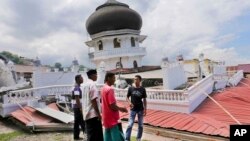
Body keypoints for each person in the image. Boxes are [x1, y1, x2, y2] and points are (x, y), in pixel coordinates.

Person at [101, 72, 128, 141]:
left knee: (107, 135)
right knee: (115, 136)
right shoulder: (110, 89)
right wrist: (121, 109)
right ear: (108, 78)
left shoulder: (103, 88)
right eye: (113, 78)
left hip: (105, 117)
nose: (114, 80)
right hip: (111, 118)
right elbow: (112, 105)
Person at [82, 69, 103, 141]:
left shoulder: (84, 85)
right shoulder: (92, 85)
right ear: (92, 75)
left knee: (90, 135)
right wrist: (98, 114)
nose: (97, 76)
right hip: (93, 115)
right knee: (96, 136)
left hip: (87, 114)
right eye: (96, 74)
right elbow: (93, 100)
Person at [125, 75, 147, 141]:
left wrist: (145, 109)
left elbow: (144, 100)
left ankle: (138, 138)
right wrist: (129, 103)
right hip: (133, 109)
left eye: (137, 79)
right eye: (134, 79)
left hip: (140, 109)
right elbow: (127, 97)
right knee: (130, 125)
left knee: (140, 125)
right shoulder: (130, 88)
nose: (135, 80)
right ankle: (127, 139)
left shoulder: (143, 89)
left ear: (140, 80)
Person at [72, 74, 85, 140]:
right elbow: (77, 98)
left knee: (77, 123)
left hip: (76, 107)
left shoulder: (77, 87)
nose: (82, 79)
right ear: (77, 79)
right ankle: (86, 135)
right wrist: (80, 108)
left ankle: (76, 136)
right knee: (82, 122)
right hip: (77, 108)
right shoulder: (76, 88)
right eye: (81, 78)